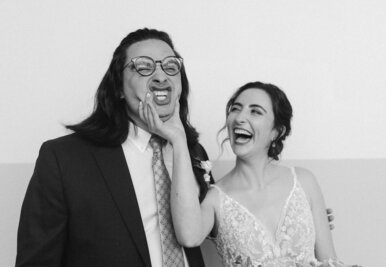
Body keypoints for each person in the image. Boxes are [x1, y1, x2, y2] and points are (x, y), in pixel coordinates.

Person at [16, 28, 213, 267]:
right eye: (143, 66)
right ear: (118, 87)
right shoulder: (64, 159)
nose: (161, 76)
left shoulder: (194, 153)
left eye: (171, 66)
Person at [147, 81, 348, 266]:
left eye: (255, 112)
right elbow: (189, 236)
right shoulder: (216, 199)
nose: (240, 118)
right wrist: (178, 140)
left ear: (276, 131)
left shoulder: (304, 181)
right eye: (235, 109)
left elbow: (330, 260)